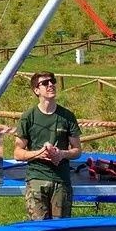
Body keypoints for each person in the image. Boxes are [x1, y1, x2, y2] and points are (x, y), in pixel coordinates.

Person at [14, 71, 82, 221]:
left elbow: (77, 150)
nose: (51, 85)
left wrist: (62, 154)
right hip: (36, 179)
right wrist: (39, 153)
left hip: (61, 180)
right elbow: (18, 153)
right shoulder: (28, 117)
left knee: (60, 229)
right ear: (36, 90)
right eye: (45, 83)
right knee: (38, 230)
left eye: (52, 81)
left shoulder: (67, 116)